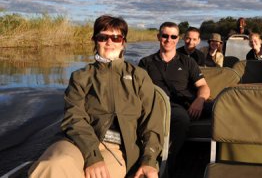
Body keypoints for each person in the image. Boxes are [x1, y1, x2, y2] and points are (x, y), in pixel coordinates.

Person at [29, 15, 163, 178]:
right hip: (76, 142)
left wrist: (149, 160)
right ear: (95, 40)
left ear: (123, 42)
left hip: (119, 148)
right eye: (102, 37)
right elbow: (74, 117)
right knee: (53, 166)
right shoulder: (80, 76)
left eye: (116, 37)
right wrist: (92, 156)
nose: (109, 42)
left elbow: (152, 123)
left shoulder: (139, 76)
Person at [138, 22, 211, 176]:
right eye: (165, 35)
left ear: (178, 39)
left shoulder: (187, 61)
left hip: (187, 102)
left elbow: (203, 86)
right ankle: (166, 165)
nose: (168, 39)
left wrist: (200, 100)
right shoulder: (146, 62)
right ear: (159, 37)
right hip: (160, 104)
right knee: (181, 118)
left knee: (221, 109)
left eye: (173, 36)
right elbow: (138, 91)